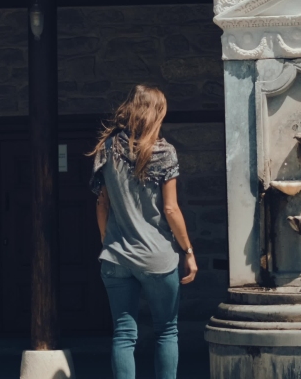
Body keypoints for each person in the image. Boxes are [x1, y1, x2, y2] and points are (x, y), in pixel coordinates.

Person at [88, 84, 197, 379]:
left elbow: (102, 203)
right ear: (156, 113)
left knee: (123, 335)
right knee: (166, 331)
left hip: (115, 257)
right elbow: (171, 210)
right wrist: (188, 251)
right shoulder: (164, 151)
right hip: (157, 258)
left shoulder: (107, 148)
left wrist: (107, 240)